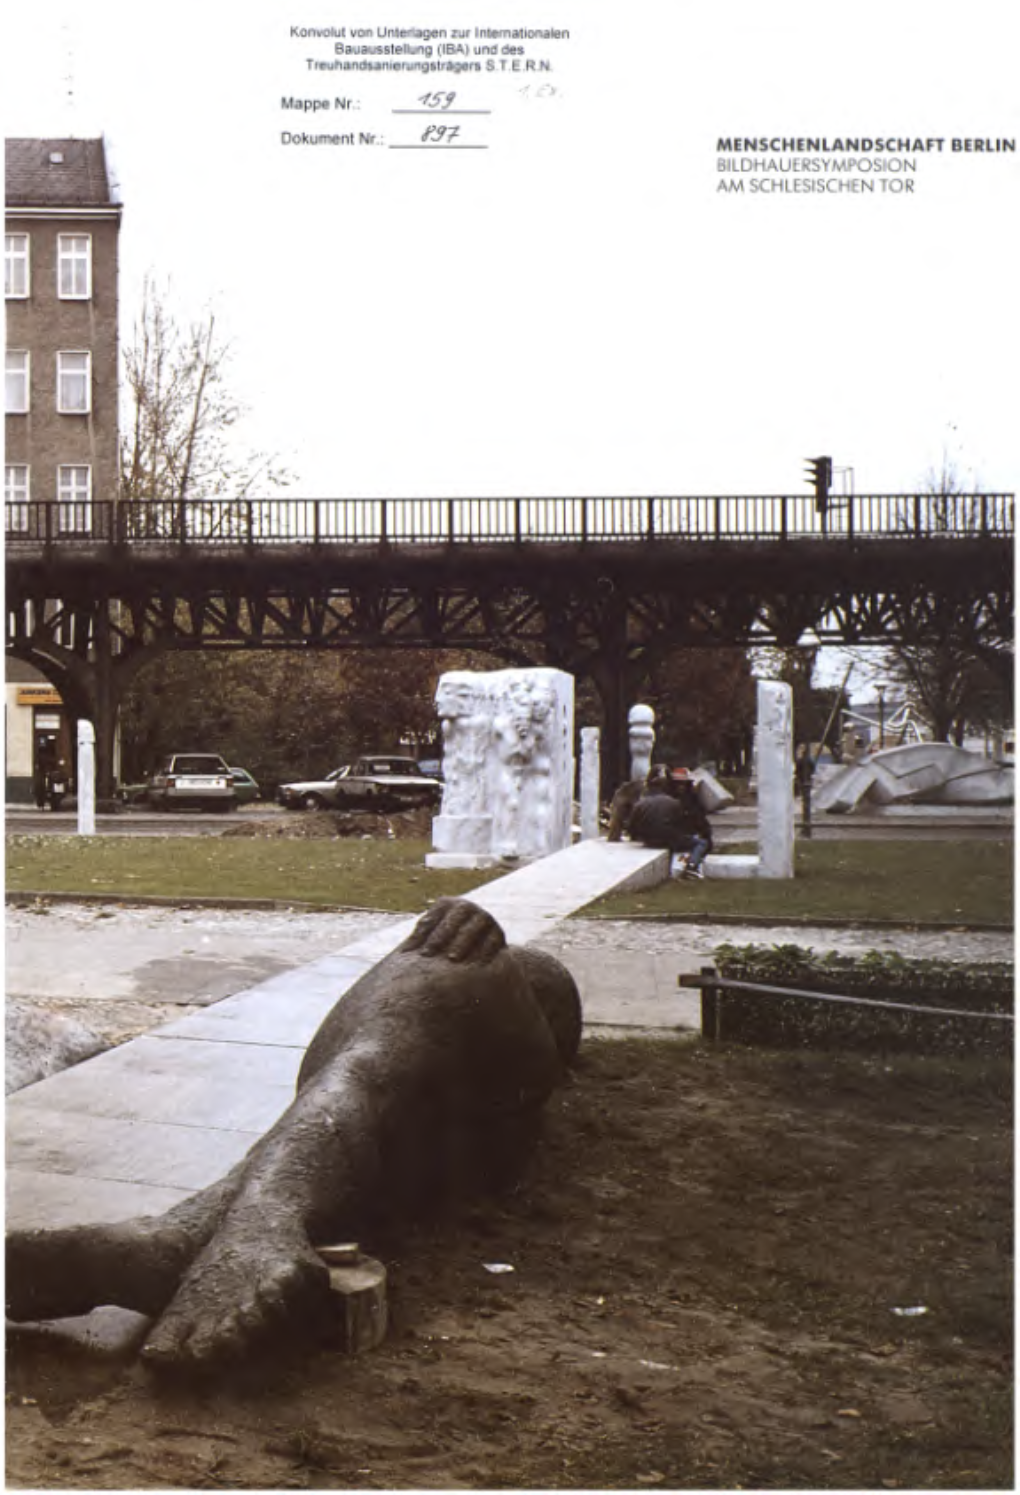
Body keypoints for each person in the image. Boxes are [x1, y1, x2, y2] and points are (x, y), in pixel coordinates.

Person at [6, 899, 582, 1371]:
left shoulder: (518, 992)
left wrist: (476, 937)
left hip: (479, 1115)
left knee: (423, 1002)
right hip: (425, 1129)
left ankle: (246, 1222)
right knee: (363, 1071)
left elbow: (549, 999)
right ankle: (187, 1236)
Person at [628, 767, 713, 879]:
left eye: (683, 784)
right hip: (668, 837)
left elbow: (631, 828)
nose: (681, 787)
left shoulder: (641, 803)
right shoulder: (674, 802)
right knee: (700, 842)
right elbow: (681, 824)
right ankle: (692, 867)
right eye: (678, 784)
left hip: (650, 838)